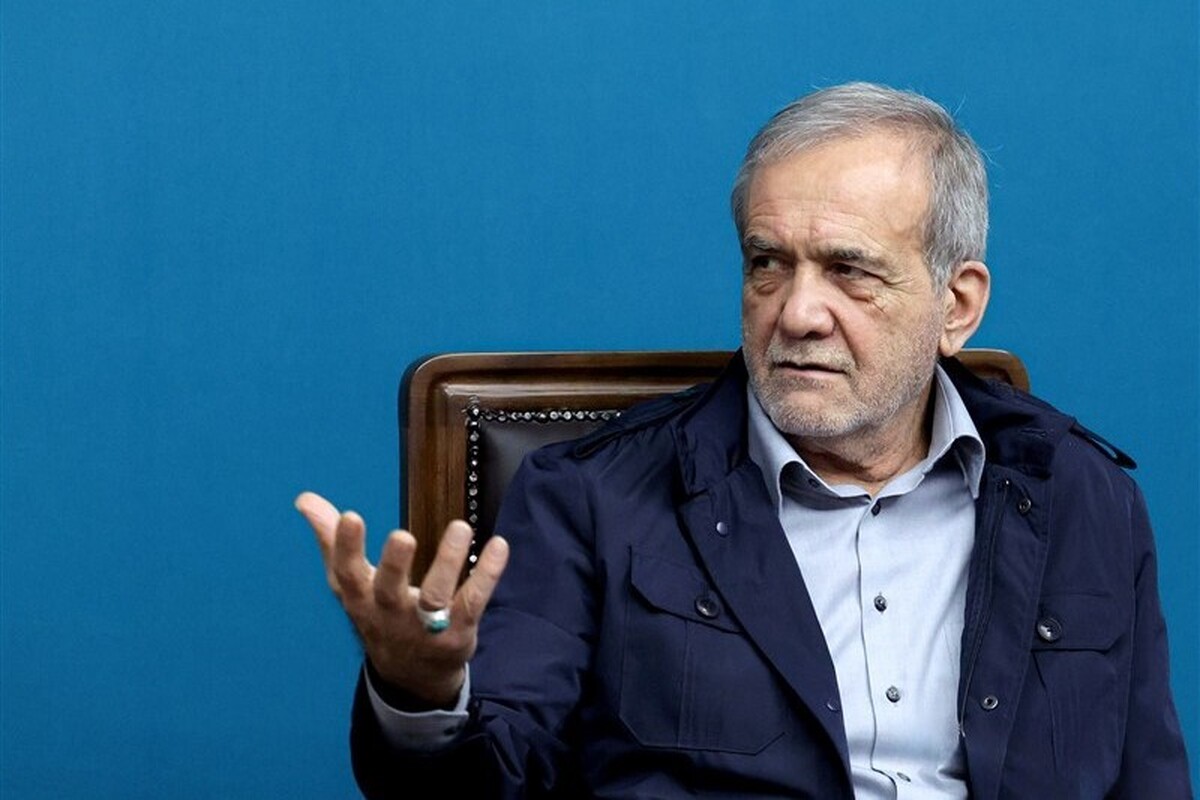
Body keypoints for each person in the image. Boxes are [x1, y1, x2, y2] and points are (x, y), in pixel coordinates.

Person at [296, 82, 1192, 798]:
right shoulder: (591, 497)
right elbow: (492, 780)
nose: (797, 314)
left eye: (849, 271)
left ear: (956, 306)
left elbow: (1149, 778)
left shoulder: (1083, 496)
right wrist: (420, 696)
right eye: (769, 263)